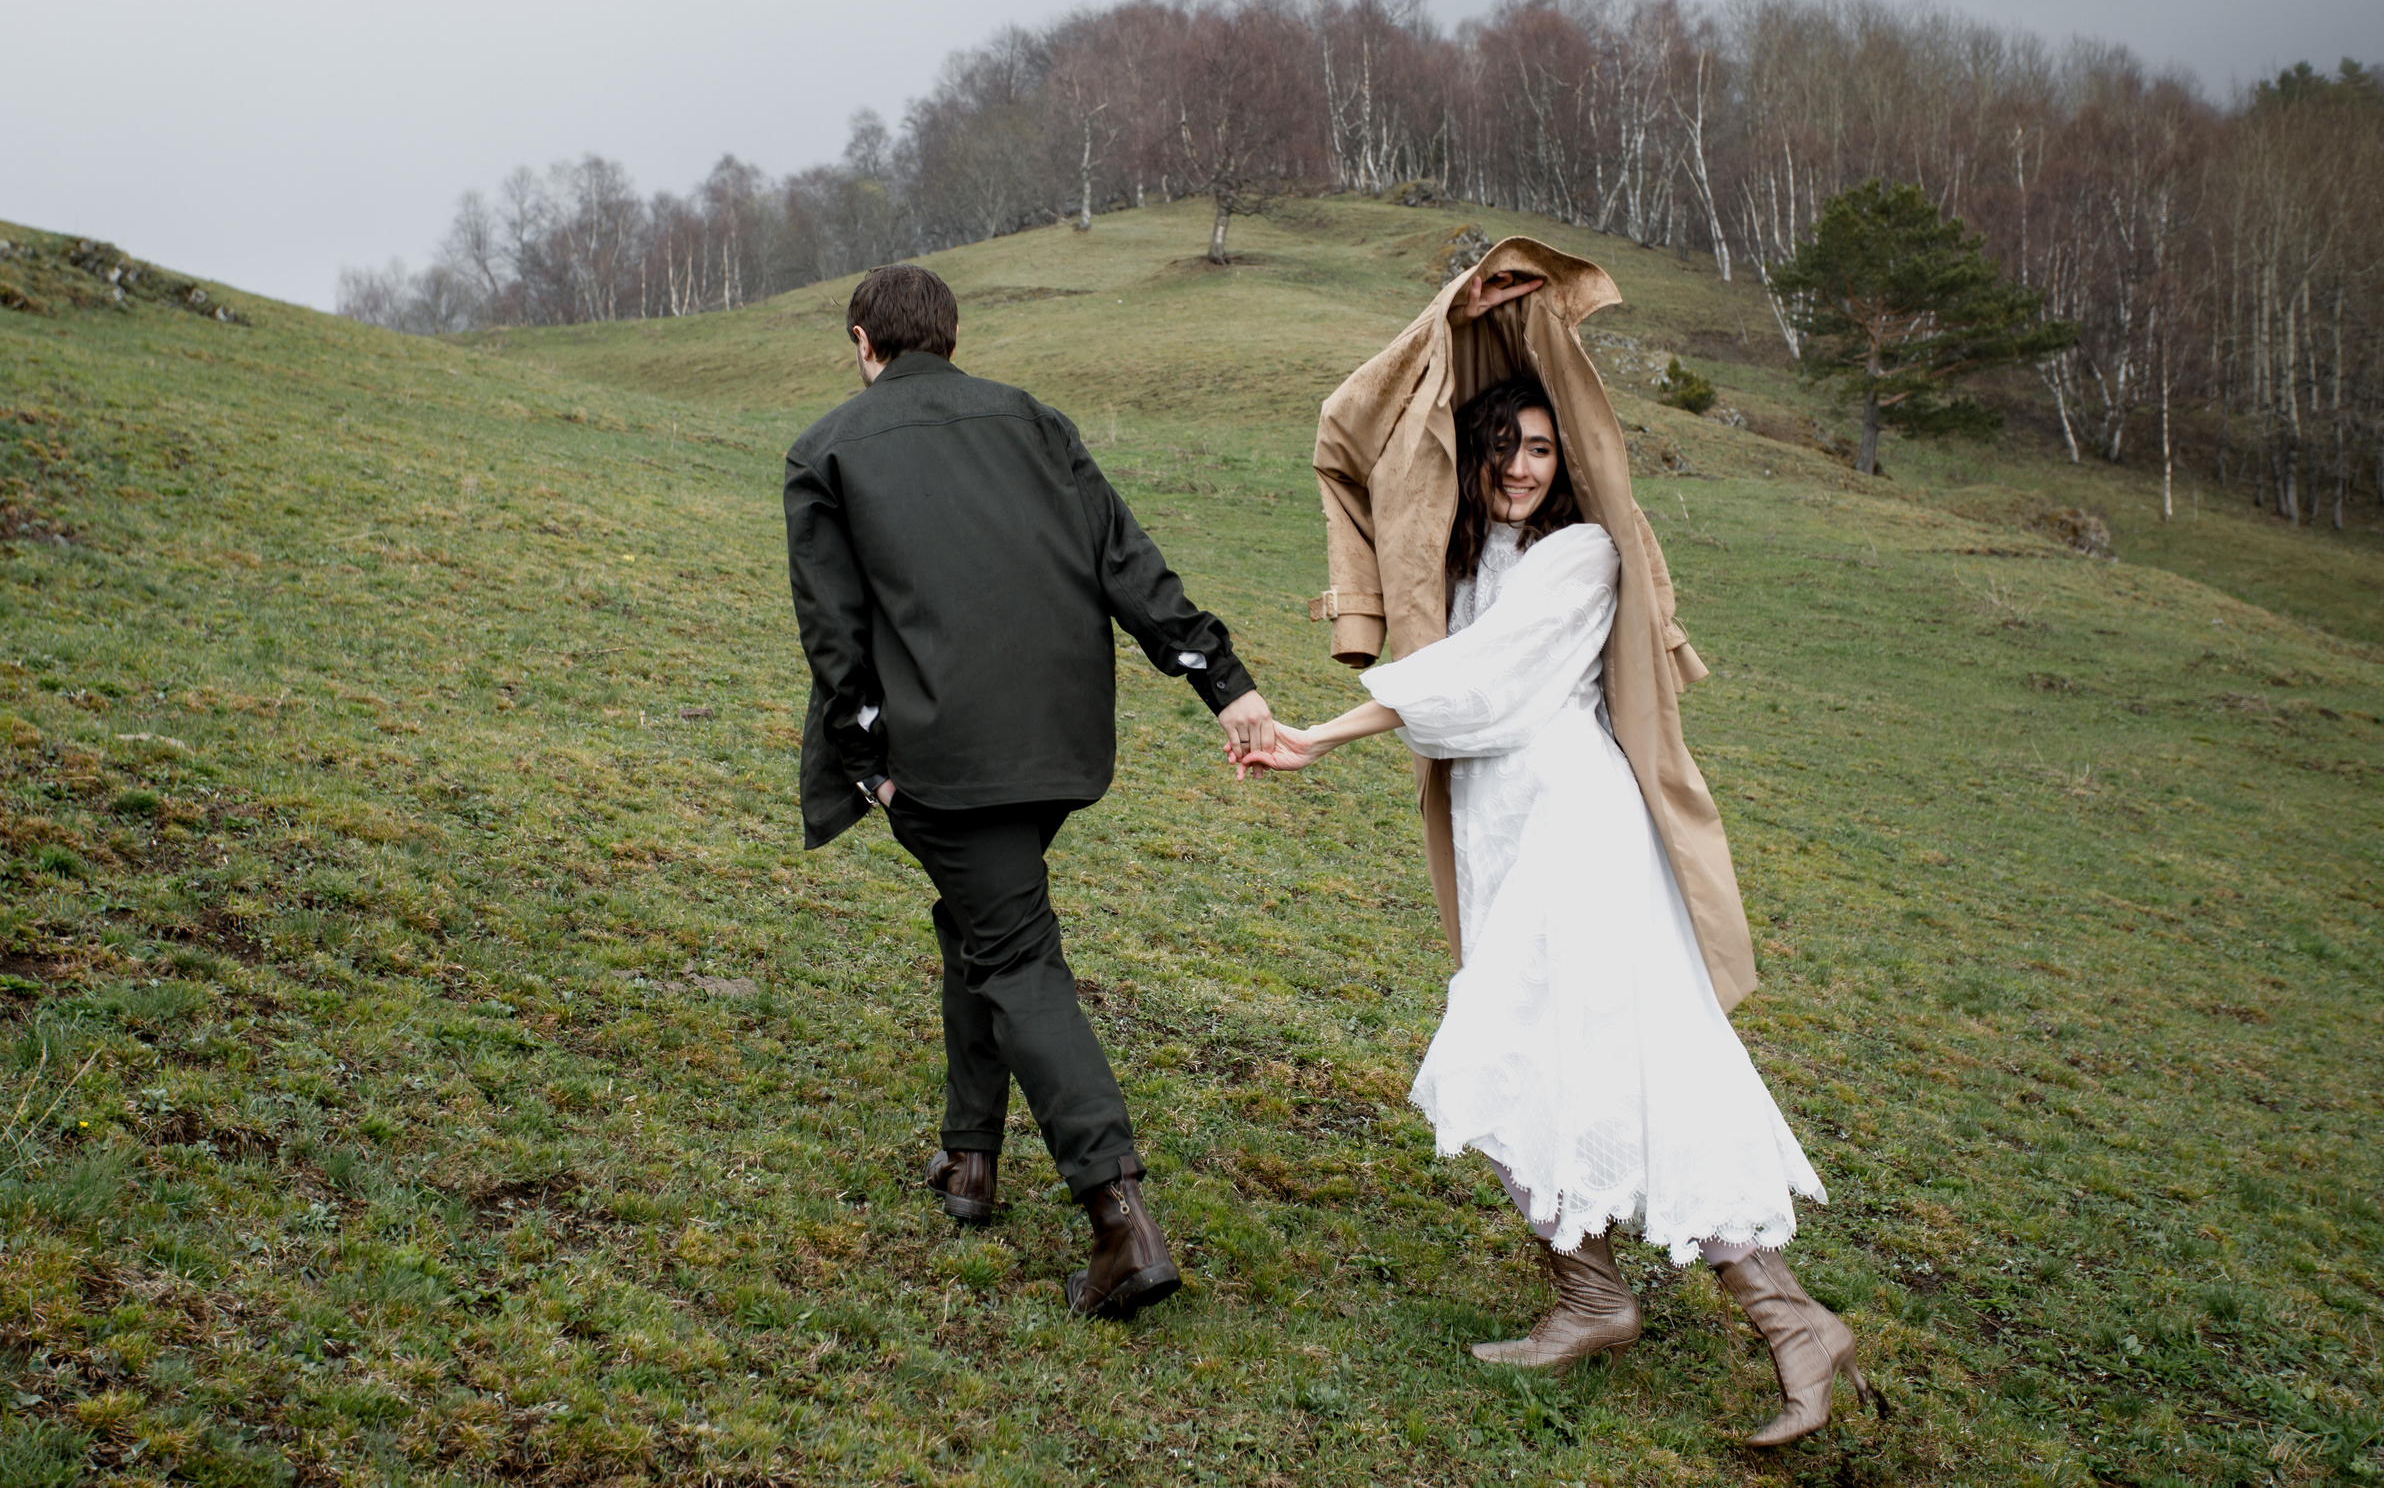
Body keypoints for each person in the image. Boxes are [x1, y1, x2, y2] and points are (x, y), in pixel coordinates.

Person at [1241, 266, 1883, 1447]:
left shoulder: (1581, 558)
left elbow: (1477, 687)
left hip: (1580, 842)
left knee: (1601, 1068)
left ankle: (1787, 1319)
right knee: (1531, 1068)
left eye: (1544, 446)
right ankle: (1593, 1296)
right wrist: (1455, 306)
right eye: (1507, 443)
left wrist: (1320, 734)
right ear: (1476, 451)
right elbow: (1355, 423)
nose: (1529, 464)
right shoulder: (1465, 563)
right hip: (1506, 837)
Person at [784, 263, 1275, 1320]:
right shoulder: (1036, 424)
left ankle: (1119, 1221)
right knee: (982, 921)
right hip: (1055, 744)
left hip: (943, 759)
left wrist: (867, 754)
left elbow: (832, 632)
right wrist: (1219, 681)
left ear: (863, 340)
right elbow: (1126, 562)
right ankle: (969, 1160)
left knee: (1010, 949)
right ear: (949, 338)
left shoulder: (825, 448)